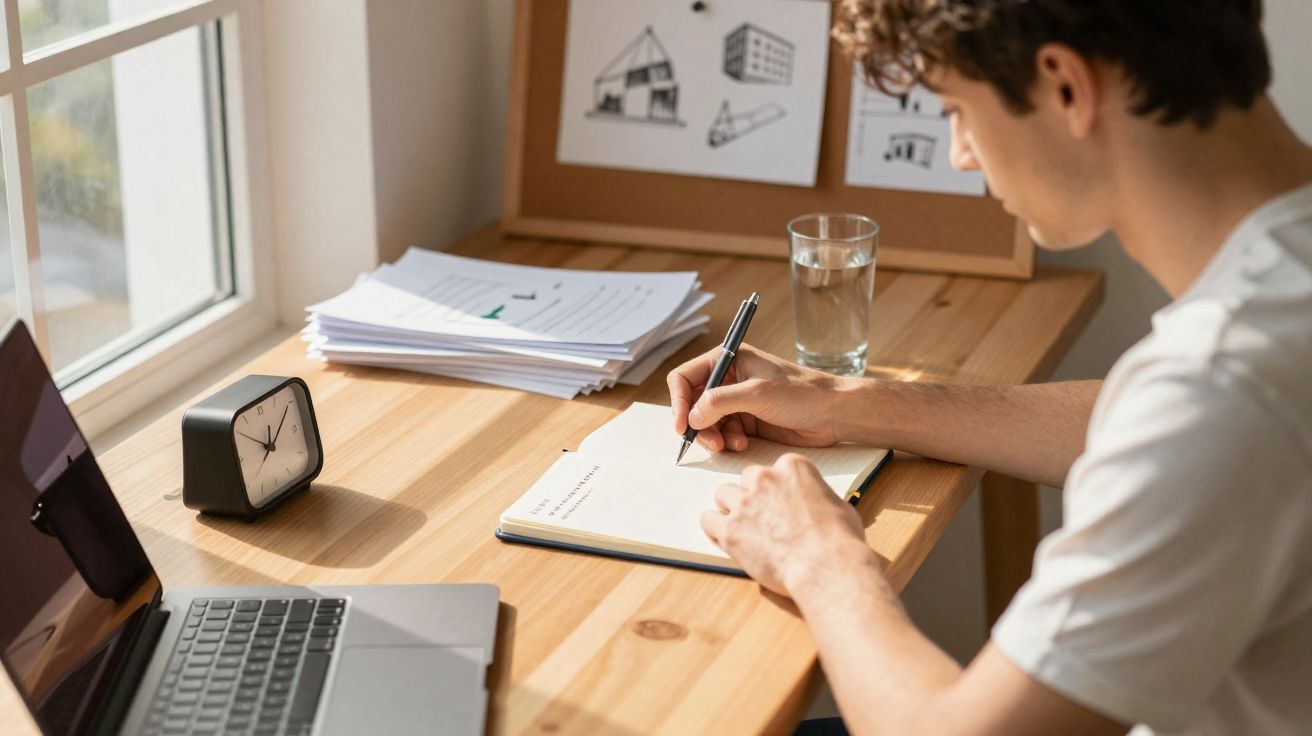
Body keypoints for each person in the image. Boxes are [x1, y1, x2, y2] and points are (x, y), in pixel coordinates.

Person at [667, 1, 1312, 734]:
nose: (961, 155)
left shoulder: (1225, 384)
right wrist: (844, 399)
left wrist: (819, 559)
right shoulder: (1266, 327)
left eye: (957, 111)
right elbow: (1163, 431)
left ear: (1065, 86)